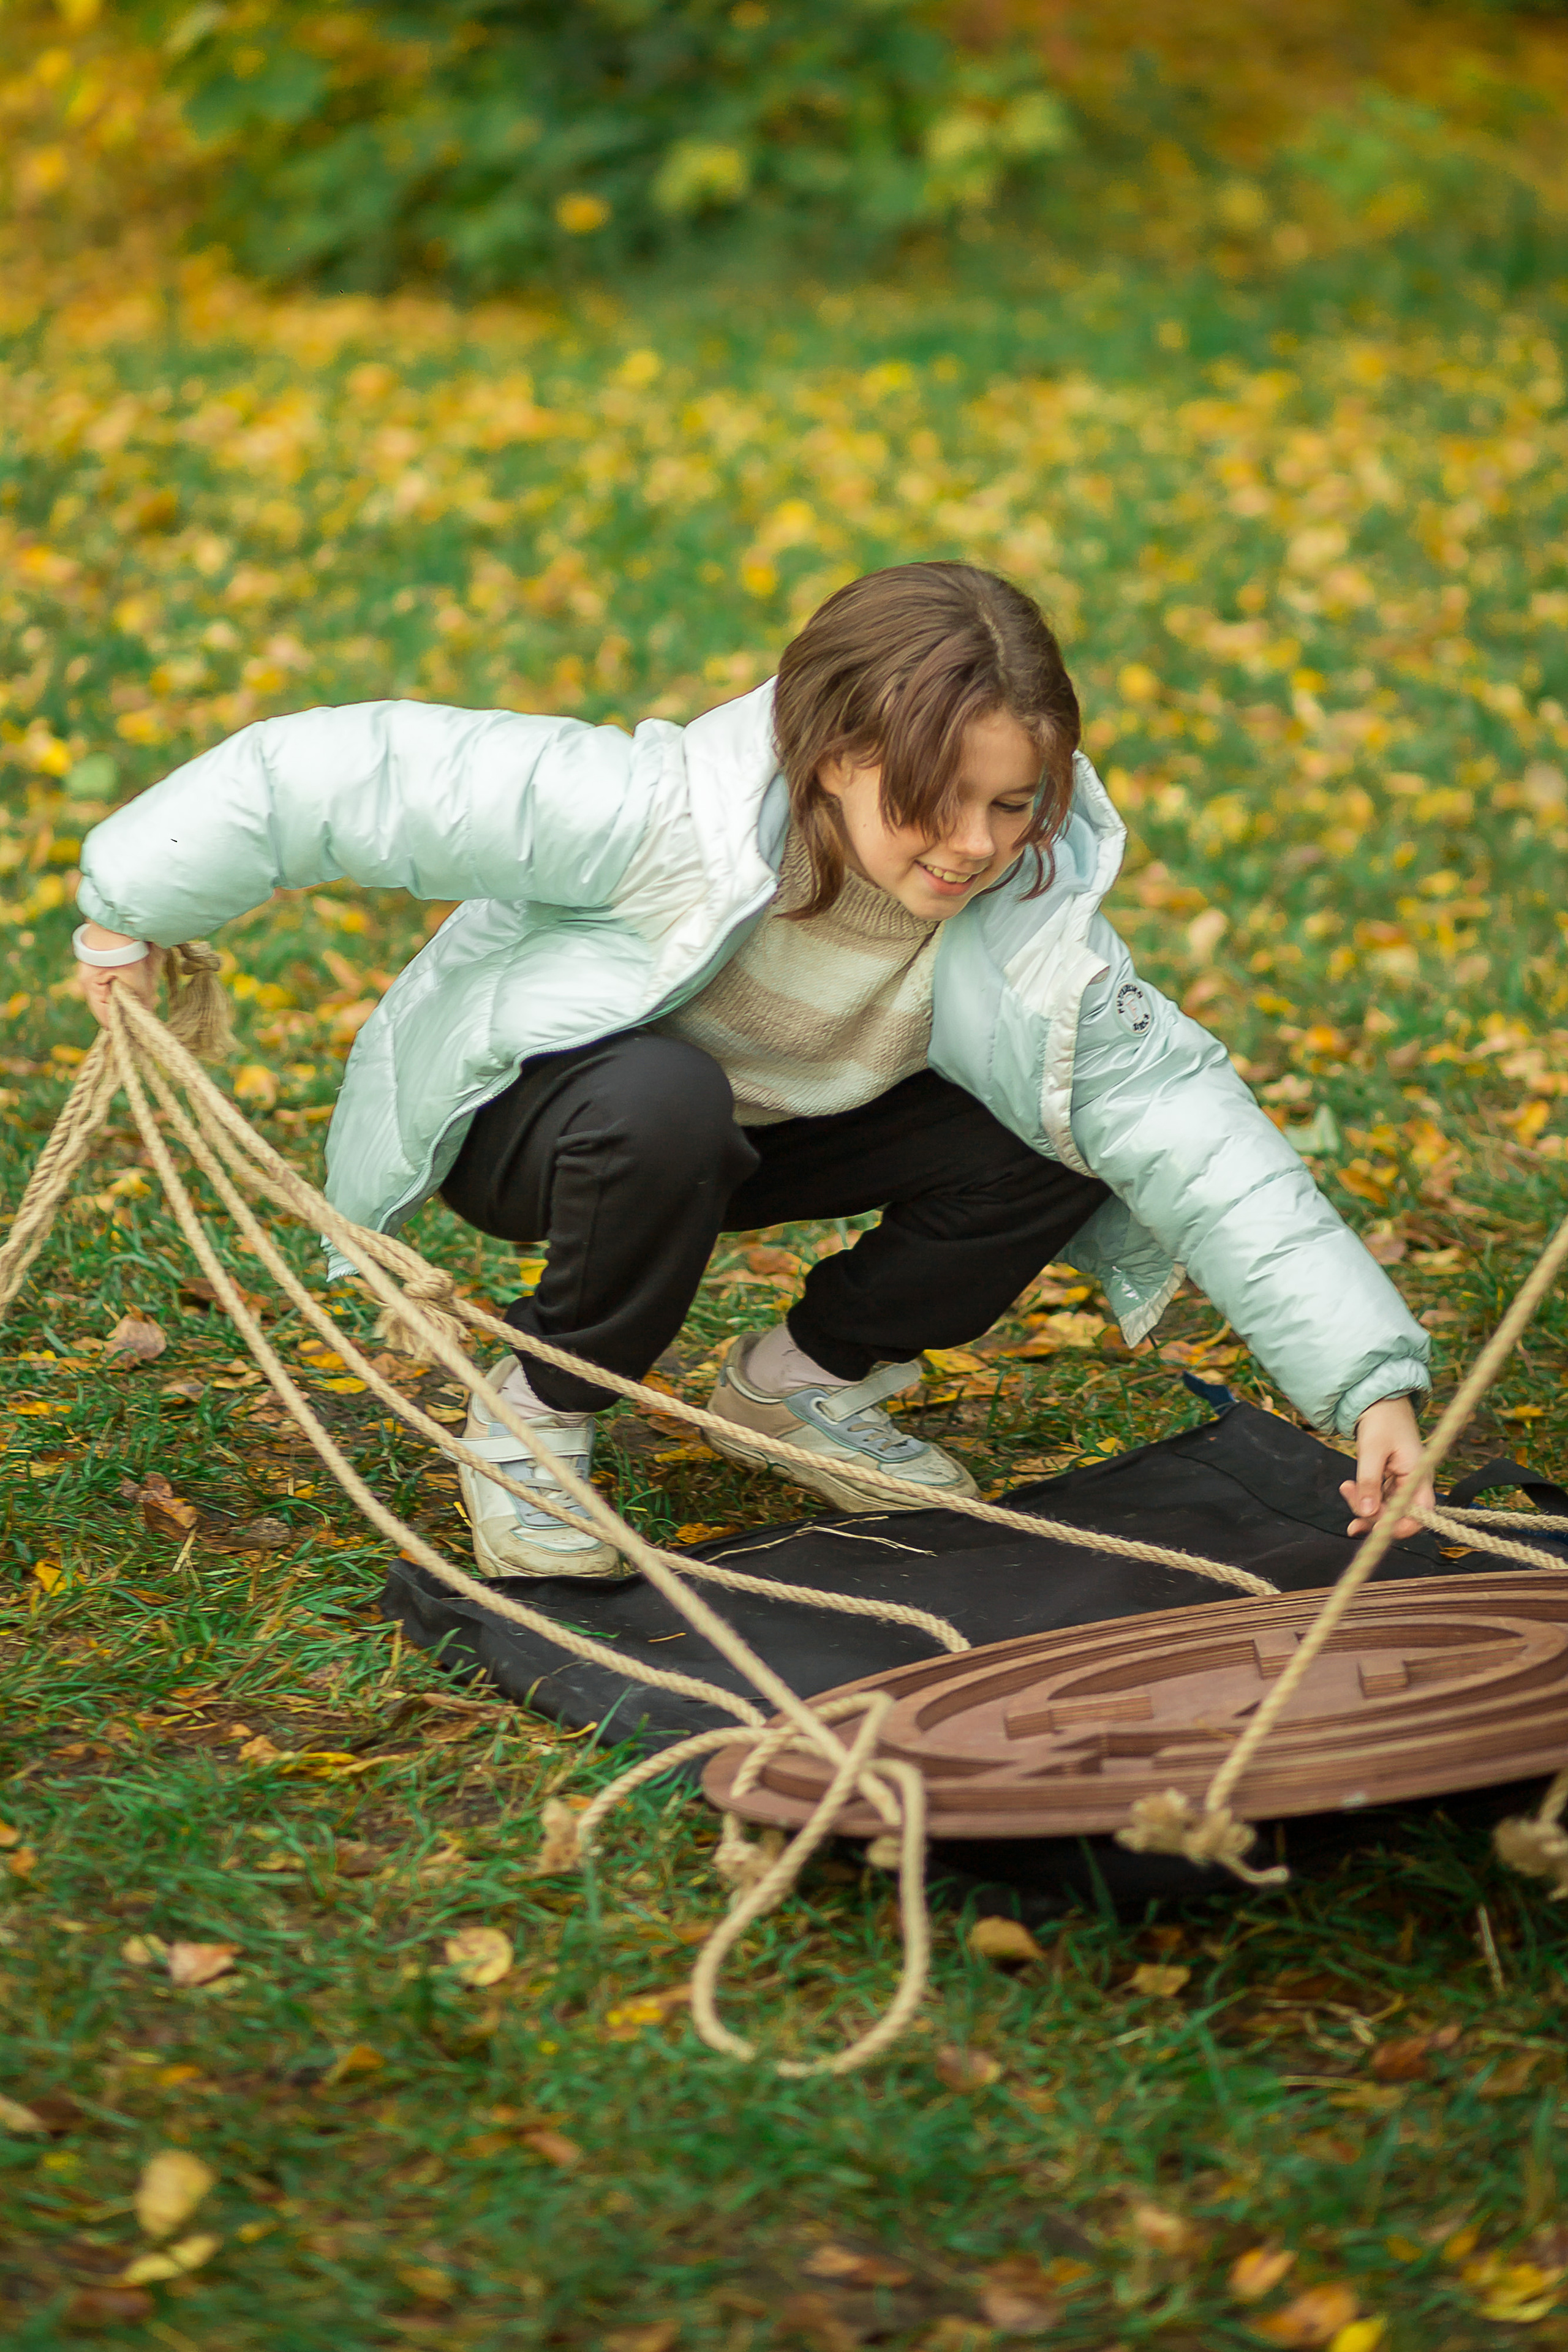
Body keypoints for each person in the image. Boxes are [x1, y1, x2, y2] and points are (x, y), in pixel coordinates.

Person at [72, 561, 1434, 1582]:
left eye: (1012, 803)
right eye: (931, 800)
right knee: (663, 1102)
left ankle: (798, 1384)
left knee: (1059, 1117)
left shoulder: (1031, 927)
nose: (971, 845)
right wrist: (132, 906)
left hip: (772, 1138)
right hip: (554, 1118)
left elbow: (1195, 1138)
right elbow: (341, 777)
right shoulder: (648, 812)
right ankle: (538, 1411)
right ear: (837, 755)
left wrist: (1367, 1387)